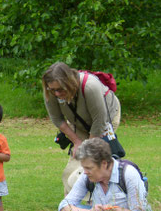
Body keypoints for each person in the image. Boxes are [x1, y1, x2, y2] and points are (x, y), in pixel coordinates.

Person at [42, 62, 121, 195]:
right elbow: (57, 119)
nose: (57, 93)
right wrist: (77, 142)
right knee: (76, 159)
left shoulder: (90, 86)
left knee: (94, 158)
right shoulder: (50, 92)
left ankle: (103, 201)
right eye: (53, 90)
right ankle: (70, 207)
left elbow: (99, 120)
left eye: (60, 89)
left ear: (69, 82)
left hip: (105, 119)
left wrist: (88, 147)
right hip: (78, 123)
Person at [58, 138, 152, 211]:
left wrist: (113, 209)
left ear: (104, 163)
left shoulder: (128, 174)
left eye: (89, 168)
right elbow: (63, 206)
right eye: (84, 167)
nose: (85, 172)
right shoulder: (86, 175)